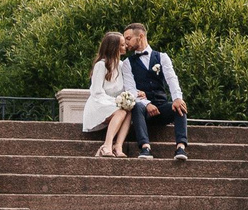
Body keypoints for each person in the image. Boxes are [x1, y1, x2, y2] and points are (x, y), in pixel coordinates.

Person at [121, 24, 188, 161]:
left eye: (128, 38)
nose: (126, 43)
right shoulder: (128, 63)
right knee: (137, 106)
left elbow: (171, 79)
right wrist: (146, 104)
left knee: (180, 106)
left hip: (161, 107)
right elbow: (130, 89)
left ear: (141, 36)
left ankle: (180, 147)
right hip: (143, 111)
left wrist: (177, 98)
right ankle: (145, 148)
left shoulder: (162, 57)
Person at [80, 31, 143, 156]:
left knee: (128, 110)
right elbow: (97, 92)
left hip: (115, 104)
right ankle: (106, 145)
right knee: (121, 111)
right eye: (122, 45)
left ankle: (118, 146)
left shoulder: (122, 65)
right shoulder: (101, 65)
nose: (125, 47)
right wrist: (116, 102)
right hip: (99, 104)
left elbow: (126, 87)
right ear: (114, 47)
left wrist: (135, 94)